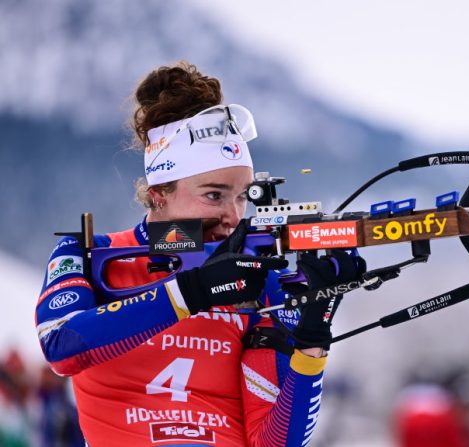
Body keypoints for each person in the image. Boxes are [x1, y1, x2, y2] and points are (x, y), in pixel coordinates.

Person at [34, 61, 362, 446]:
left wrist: (313, 334)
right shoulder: (92, 254)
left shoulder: (258, 281)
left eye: (242, 196)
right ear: (159, 193)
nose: (233, 215)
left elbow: (275, 443)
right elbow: (61, 346)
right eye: (214, 195)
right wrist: (191, 292)